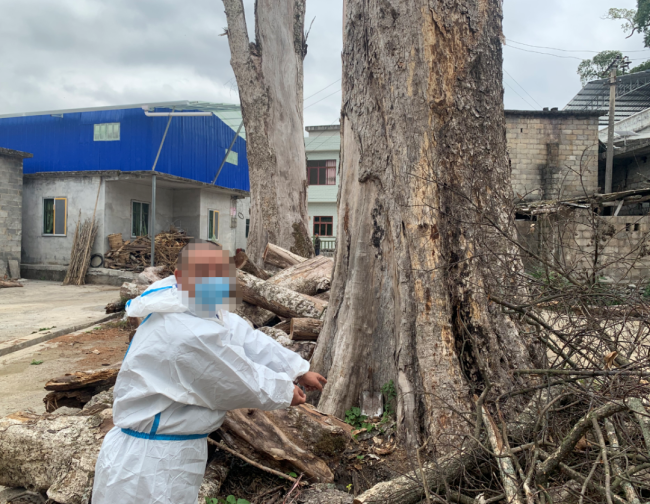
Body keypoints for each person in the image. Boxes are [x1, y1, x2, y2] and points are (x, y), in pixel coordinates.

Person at [92, 240, 327, 504]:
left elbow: (244, 337)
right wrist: (284, 391)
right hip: (148, 466)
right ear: (182, 276)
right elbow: (235, 380)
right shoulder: (186, 332)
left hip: (172, 453)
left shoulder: (190, 302)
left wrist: (296, 368)